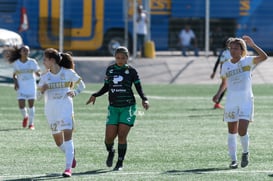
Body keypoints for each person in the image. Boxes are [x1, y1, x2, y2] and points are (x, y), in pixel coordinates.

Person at [86, 46, 149, 171]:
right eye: (118, 57)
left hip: (128, 107)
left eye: (123, 58)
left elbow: (138, 87)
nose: (120, 60)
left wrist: (144, 98)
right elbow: (106, 87)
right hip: (113, 108)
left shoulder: (132, 71)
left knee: (121, 136)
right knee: (109, 138)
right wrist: (95, 95)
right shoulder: (110, 70)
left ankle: (120, 163)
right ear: (115, 57)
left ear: (127, 58)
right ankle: (111, 151)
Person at [212, 36, 268, 169]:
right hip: (231, 101)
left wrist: (253, 45)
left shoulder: (248, 61)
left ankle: (245, 153)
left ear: (242, 50)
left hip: (246, 101)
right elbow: (224, 82)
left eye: (236, 48)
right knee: (232, 131)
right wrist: (218, 94)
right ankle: (233, 160)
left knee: (242, 130)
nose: (233, 50)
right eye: (231, 48)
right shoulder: (225, 65)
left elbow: (265, 57)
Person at [38, 48, 85, 177]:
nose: (43, 62)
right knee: (59, 143)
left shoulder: (68, 73)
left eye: (45, 59)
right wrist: (42, 90)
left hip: (66, 110)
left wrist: (75, 92)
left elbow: (82, 85)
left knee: (68, 138)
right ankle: (71, 155)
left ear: (52, 60)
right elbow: (37, 97)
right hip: (51, 112)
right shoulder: (45, 77)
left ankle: (68, 168)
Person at [6, 45, 40, 130]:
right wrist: (16, 83)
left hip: (31, 86)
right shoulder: (16, 63)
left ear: (29, 52)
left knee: (31, 105)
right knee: (21, 105)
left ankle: (31, 124)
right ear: (20, 52)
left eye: (27, 50)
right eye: (24, 50)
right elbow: (14, 75)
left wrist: (44, 74)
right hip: (21, 87)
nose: (25, 52)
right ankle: (25, 116)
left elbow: (38, 73)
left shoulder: (32, 62)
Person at [210, 38, 232, 109]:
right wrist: (214, 72)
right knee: (226, 86)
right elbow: (218, 62)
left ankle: (217, 102)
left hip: (228, 71)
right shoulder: (226, 52)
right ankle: (217, 98)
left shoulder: (230, 52)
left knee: (225, 87)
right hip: (227, 72)